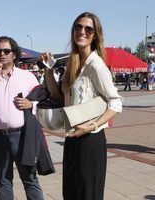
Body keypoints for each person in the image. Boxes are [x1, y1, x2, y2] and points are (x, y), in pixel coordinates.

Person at [41, 12, 123, 200]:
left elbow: (116, 103)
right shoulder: (73, 63)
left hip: (90, 140)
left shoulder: (96, 65)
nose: (82, 31)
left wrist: (91, 126)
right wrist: (48, 70)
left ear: (95, 35)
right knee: (71, 193)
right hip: (72, 138)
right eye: (78, 27)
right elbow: (59, 98)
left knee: (88, 195)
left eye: (88, 28)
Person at [0, 36, 45, 200]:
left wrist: (31, 104)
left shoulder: (27, 76)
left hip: (22, 135)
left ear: (14, 54)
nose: (2, 54)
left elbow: (42, 102)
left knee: (30, 179)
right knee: (3, 181)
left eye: (6, 51)